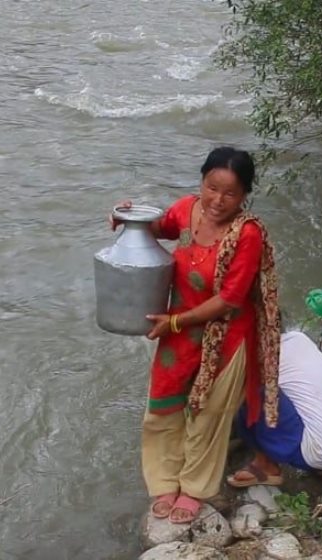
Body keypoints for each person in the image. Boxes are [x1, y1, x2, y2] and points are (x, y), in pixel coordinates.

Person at [108, 147, 281, 524]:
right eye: (211, 187)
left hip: (226, 335)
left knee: (208, 414)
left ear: (245, 195)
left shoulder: (247, 234)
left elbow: (230, 299)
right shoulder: (186, 209)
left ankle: (195, 489)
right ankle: (164, 482)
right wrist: (127, 217)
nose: (218, 200)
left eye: (230, 193)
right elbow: (158, 228)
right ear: (201, 182)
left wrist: (174, 322)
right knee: (163, 407)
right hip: (179, 331)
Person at [226, 330, 322, 487]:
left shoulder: (261, 357)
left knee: (252, 387)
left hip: (319, 453)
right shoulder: (298, 337)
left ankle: (265, 465)